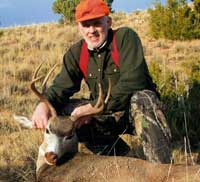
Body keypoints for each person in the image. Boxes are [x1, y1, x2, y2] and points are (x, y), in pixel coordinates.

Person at [32, 0, 172, 163]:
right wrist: (43, 104)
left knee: (144, 99)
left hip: (135, 112)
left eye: (97, 23)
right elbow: (60, 88)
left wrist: (91, 108)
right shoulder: (76, 53)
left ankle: (163, 170)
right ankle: (125, 161)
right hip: (104, 115)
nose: (91, 30)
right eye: (85, 25)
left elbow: (135, 81)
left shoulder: (125, 38)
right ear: (79, 27)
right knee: (65, 112)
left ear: (108, 22)